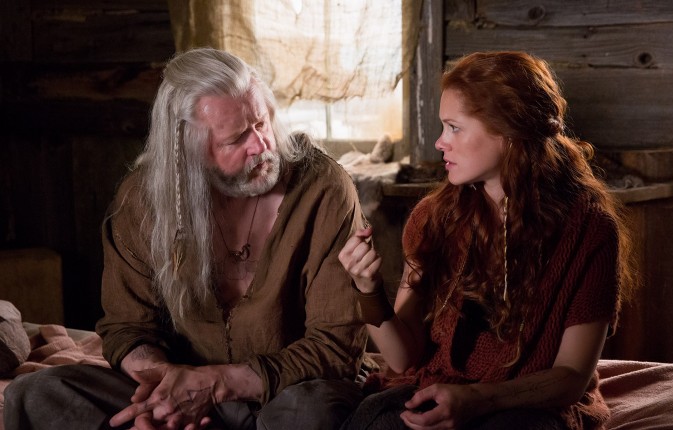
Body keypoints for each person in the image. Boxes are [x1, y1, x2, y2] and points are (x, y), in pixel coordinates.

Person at [5, 47, 369, 430]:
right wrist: (168, 394)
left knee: (309, 413)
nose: (261, 146)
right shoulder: (142, 200)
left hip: (284, 392)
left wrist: (216, 384)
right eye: (235, 139)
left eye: (262, 123)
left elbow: (336, 347)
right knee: (34, 394)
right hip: (184, 386)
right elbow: (128, 328)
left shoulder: (322, 188)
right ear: (186, 152)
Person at [338, 51, 636, 430]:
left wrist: (478, 399)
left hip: (528, 405)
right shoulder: (433, 218)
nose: (439, 142)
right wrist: (368, 290)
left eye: (454, 128)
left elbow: (572, 376)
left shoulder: (590, 231)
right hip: (439, 385)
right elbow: (401, 360)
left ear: (508, 133)